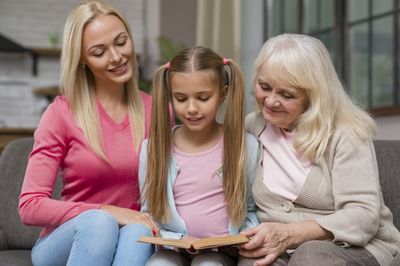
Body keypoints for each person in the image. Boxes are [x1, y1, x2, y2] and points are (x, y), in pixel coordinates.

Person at [238, 33, 400, 266]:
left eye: (287, 95)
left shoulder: (346, 134)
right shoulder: (252, 127)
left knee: (310, 256)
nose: (271, 101)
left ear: (313, 97)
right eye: (264, 86)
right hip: (280, 250)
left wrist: (290, 234)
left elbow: (363, 215)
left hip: (354, 247)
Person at [18, 1, 158, 265]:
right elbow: (30, 205)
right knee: (99, 223)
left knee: (140, 232)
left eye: (121, 41)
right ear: (82, 61)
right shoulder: (61, 114)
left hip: (129, 235)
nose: (116, 57)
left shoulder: (156, 111)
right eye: (99, 52)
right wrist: (108, 211)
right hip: (67, 241)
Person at [138, 46, 260, 265]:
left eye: (203, 98)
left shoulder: (245, 147)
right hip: (172, 249)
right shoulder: (152, 150)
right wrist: (174, 239)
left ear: (222, 94)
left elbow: (251, 210)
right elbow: (148, 214)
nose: (191, 108)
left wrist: (236, 239)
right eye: (181, 99)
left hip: (221, 252)